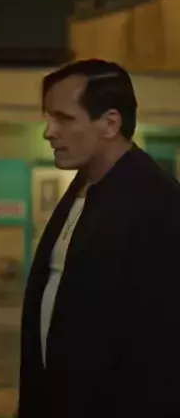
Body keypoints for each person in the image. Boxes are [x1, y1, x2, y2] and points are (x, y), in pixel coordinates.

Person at [18, 59, 180, 418]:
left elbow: (161, 348)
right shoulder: (83, 190)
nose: (48, 132)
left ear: (110, 123)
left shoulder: (158, 204)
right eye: (48, 117)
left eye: (64, 118)